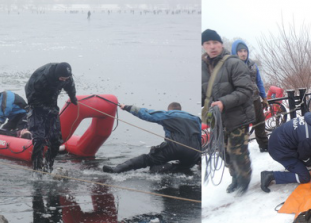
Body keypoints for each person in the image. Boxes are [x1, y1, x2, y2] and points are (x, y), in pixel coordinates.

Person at [201, 29, 255, 195]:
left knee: (237, 151)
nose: (212, 47)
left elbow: (246, 90)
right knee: (224, 153)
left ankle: (244, 179)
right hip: (218, 121)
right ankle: (235, 177)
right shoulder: (201, 67)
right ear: (203, 46)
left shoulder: (233, 63)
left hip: (238, 116)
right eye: (208, 43)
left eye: (215, 43)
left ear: (221, 44)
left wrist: (224, 102)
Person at [102, 102, 201, 173]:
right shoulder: (196, 119)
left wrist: (127, 107)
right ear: (181, 109)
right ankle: (177, 170)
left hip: (175, 147)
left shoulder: (168, 115)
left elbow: (146, 114)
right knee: (185, 167)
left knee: (147, 160)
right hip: (193, 151)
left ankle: (116, 170)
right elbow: (200, 137)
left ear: (169, 109)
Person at [260, 113, 311, 193]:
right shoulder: (309, 136)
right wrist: (310, 161)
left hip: (278, 139)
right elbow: (304, 154)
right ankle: (271, 175)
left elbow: (308, 141)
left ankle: (296, 165)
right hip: (279, 151)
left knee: (310, 156)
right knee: (304, 177)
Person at [25, 62, 77, 172]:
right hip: (36, 106)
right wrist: (46, 109)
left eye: (66, 78)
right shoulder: (41, 78)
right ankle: (37, 169)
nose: (64, 80)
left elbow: (70, 86)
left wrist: (73, 98)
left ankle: (49, 166)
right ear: (57, 75)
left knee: (56, 140)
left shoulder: (67, 77)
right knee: (39, 139)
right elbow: (32, 99)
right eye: (62, 78)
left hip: (52, 104)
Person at [231, 39, 269, 152]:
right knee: (243, 127)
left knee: (260, 123)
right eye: (240, 51)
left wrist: (264, 97)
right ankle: (242, 151)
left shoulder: (253, 64)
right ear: (235, 52)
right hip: (241, 102)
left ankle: (264, 145)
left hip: (255, 99)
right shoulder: (231, 65)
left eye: (245, 51)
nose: (243, 53)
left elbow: (259, 81)